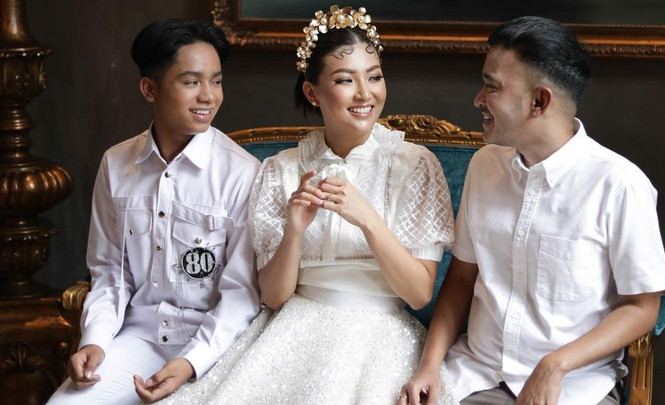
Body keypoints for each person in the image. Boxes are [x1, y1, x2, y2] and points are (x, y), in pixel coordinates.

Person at [157, 5, 457, 405]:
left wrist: (368, 219)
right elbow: (274, 298)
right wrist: (293, 230)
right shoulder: (279, 170)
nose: (365, 93)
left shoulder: (414, 165)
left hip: (379, 337)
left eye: (374, 77)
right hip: (292, 329)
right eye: (345, 80)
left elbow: (419, 294)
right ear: (312, 92)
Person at [399, 16, 665, 405]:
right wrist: (428, 367)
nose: (478, 99)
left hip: (574, 386)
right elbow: (460, 280)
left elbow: (643, 307)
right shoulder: (484, 165)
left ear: (539, 101)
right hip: (476, 375)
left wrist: (556, 365)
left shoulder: (620, 185)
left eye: (491, 86)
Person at [47, 19, 261, 404]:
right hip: (138, 339)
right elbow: (109, 272)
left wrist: (191, 361)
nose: (208, 96)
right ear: (150, 88)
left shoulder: (242, 173)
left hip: (212, 346)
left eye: (216, 81)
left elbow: (241, 292)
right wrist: (95, 341)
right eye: (191, 82)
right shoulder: (116, 164)